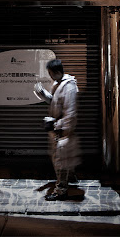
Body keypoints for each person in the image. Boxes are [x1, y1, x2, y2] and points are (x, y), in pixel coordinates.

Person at [34, 59, 81, 201]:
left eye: (50, 73)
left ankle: (61, 191)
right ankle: (70, 177)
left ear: (57, 72)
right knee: (62, 160)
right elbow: (54, 100)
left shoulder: (69, 87)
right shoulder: (58, 83)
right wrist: (42, 93)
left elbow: (70, 112)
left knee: (60, 162)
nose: (49, 76)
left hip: (62, 131)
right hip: (57, 129)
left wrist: (60, 128)